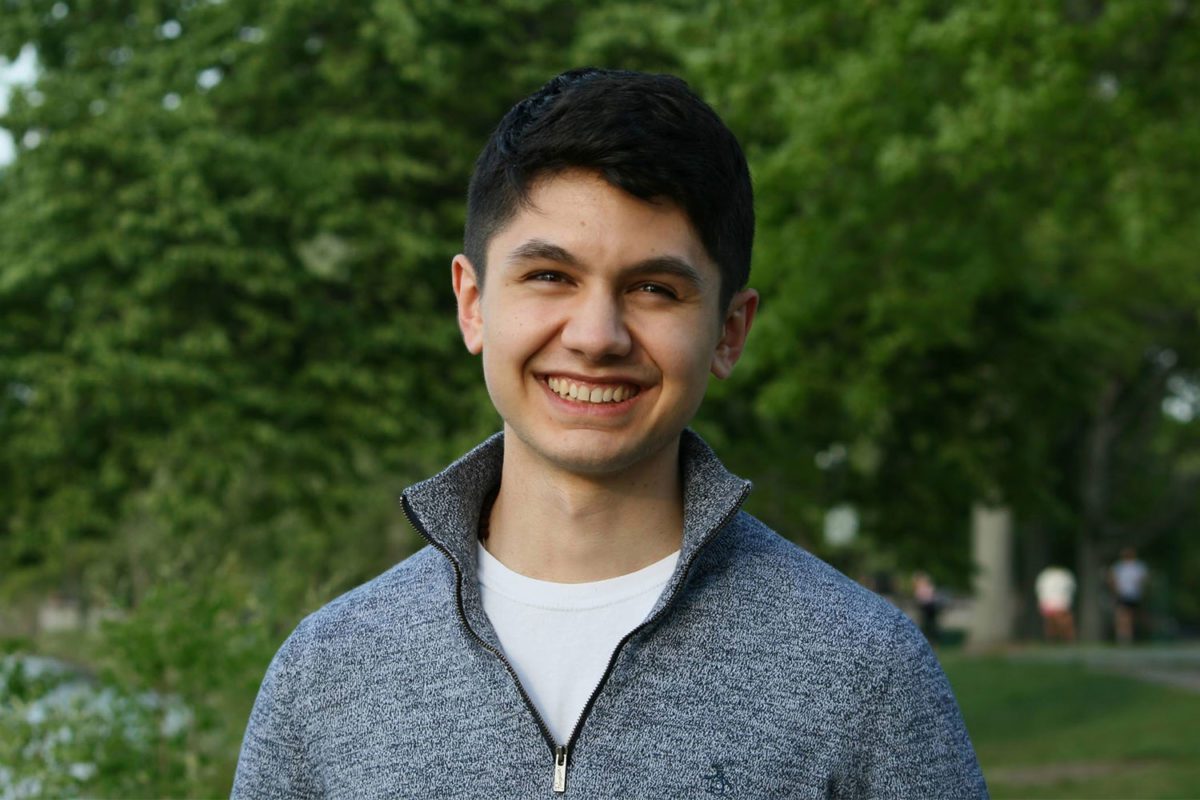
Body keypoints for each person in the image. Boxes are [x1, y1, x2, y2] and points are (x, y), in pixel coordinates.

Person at [233, 68, 987, 799]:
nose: (597, 337)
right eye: (550, 277)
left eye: (654, 289)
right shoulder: (327, 672)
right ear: (472, 304)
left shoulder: (864, 672)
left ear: (729, 332)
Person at [1110, 546, 1149, 645]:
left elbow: (1143, 580)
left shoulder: (1138, 566)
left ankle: (1136, 636)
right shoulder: (1119, 567)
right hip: (1123, 594)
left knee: (1134, 617)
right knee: (1123, 616)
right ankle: (1124, 638)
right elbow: (1113, 580)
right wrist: (1116, 591)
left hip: (1135, 595)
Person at [1035, 565, 1076, 643]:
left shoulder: (1064, 576)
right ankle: (1053, 640)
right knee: (1052, 625)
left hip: (1060, 603)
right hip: (1050, 603)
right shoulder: (1047, 576)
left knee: (1063, 623)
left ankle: (1066, 640)